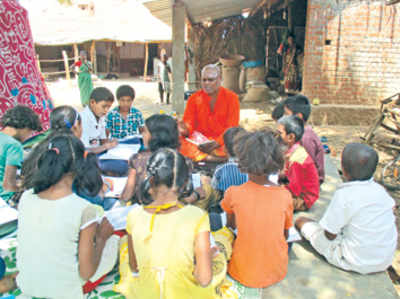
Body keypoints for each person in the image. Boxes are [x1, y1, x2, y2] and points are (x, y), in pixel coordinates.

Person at [16, 134, 119, 299]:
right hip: (64, 292)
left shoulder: (27, 196)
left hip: (27, 285)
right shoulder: (84, 209)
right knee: (115, 240)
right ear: (81, 163)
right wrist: (101, 239)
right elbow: (86, 273)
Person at [123, 148, 215, 298]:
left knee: (123, 247)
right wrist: (208, 256)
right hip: (184, 293)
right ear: (186, 183)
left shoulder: (133, 215)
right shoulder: (197, 216)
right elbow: (204, 279)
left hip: (145, 293)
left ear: (151, 180)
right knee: (221, 251)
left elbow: (134, 268)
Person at [295, 143, 398, 274]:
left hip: (355, 261)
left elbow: (329, 235)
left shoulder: (345, 195)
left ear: (343, 169)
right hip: (384, 260)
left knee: (302, 222)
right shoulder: (381, 191)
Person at [221, 130, 293, 296]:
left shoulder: (233, 193)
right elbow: (286, 235)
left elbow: (230, 226)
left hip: (243, 271)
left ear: (243, 161)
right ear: (277, 161)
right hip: (277, 270)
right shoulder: (285, 195)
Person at [22, 106, 116, 210]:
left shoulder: (42, 147)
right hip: (70, 206)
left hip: (41, 204)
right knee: (111, 203)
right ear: (76, 126)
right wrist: (105, 187)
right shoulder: (74, 153)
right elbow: (93, 196)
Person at [179, 64, 240, 162]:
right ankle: (211, 158)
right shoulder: (193, 99)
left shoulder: (232, 98)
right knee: (179, 142)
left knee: (238, 142)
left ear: (220, 79)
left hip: (221, 142)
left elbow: (232, 128)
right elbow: (189, 124)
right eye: (204, 80)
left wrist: (216, 143)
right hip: (199, 143)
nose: (206, 83)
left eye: (211, 80)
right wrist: (183, 128)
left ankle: (203, 157)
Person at [120, 114, 181, 204]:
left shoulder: (137, 159)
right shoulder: (182, 161)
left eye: (144, 131)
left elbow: (127, 194)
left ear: (155, 136)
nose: (142, 135)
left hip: (144, 212)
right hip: (172, 212)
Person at [277, 115, 319, 211]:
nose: (277, 137)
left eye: (279, 133)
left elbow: (293, 190)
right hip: (295, 190)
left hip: (303, 199)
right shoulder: (293, 150)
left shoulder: (296, 160)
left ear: (291, 137)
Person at [0, 106, 41, 203]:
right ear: (25, 127)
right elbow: (8, 185)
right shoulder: (14, 145)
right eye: (30, 133)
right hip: (5, 199)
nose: (28, 137)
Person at [283, 95, 325, 183]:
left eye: (287, 114)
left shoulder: (306, 138)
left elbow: (306, 168)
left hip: (309, 183)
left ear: (299, 116)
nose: (284, 118)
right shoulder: (300, 132)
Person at [80, 87, 118, 154]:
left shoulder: (101, 117)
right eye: (104, 106)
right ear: (92, 102)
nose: (106, 110)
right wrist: (105, 146)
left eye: (108, 107)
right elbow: (84, 151)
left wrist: (111, 141)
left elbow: (103, 140)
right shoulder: (83, 120)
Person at [211, 127, 248, 195]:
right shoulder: (252, 170)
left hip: (227, 204)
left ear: (225, 149)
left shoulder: (220, 170)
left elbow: (214, 187)